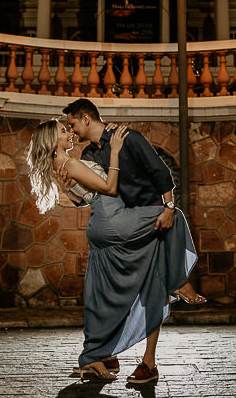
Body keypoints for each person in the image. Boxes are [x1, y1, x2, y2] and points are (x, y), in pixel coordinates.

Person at [63, 99, 206, 377]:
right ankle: (109, 354)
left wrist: (168, 207)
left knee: (153, 289)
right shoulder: (89, 154)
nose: (72, 130)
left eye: (72, 124)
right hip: (124, 228)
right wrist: (70, 191)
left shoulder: (129, 138)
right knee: (116, 292)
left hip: (152, 223)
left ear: (87, 119)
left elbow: (161, 172)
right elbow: (90, 196)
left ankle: (149, 363)